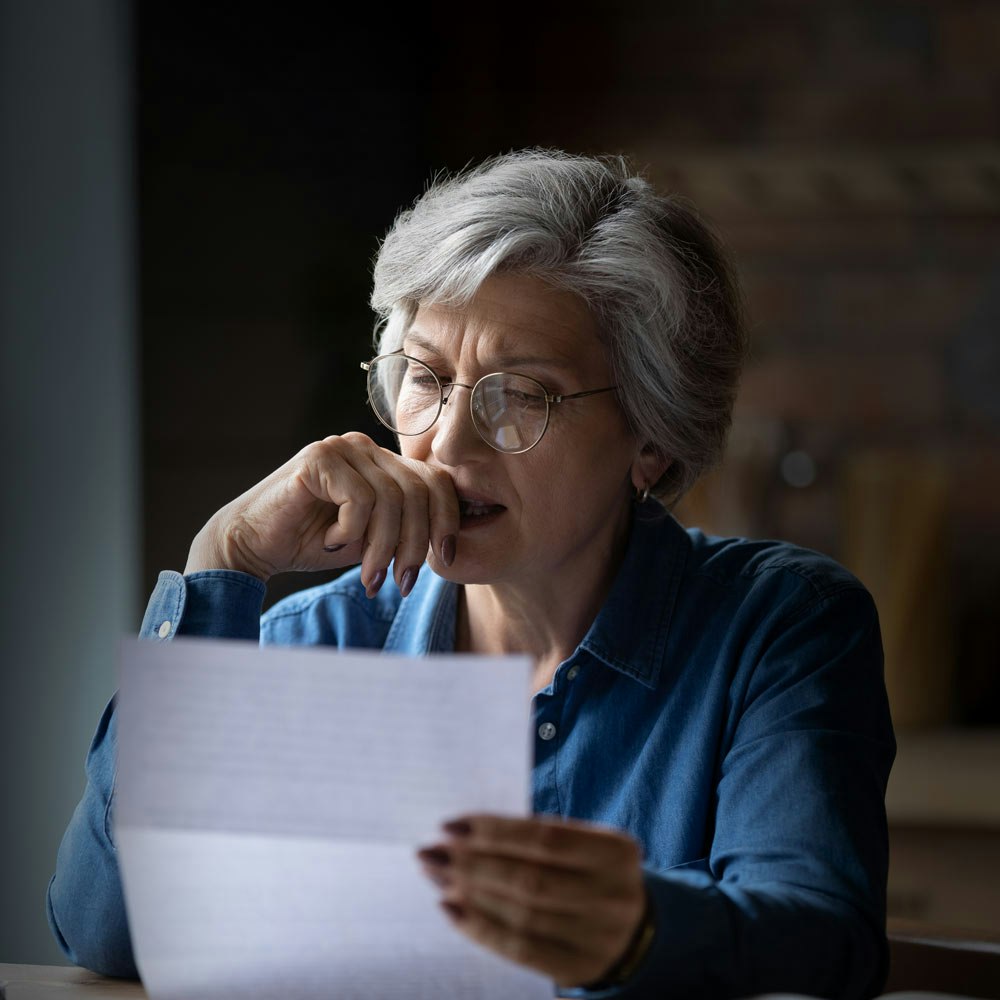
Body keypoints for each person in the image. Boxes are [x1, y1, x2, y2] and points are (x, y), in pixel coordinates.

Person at [47, 150, 895, 998]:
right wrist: (224, 557)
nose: (448, 445)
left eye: (520, 394)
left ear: (653, 438)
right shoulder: (321, 642)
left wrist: (636, 931)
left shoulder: (779, 627)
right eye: (425, 378)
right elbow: (107, 932)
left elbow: (823, 942)